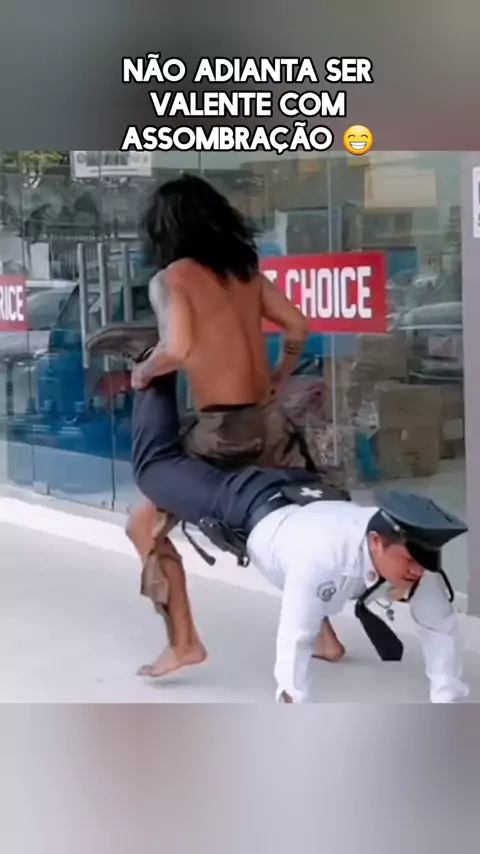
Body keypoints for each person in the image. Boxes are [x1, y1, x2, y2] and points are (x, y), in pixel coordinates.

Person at [82, 359, 470, 704]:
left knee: (311, 578)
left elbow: (441, 630)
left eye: (422, 565)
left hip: (309, 493)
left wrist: (447, 702)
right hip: (253, 501)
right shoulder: (322, 560)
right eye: (409, 562)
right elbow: (293, 642)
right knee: (155, 469)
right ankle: (153, 365)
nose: (417, 571)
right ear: (376, 542)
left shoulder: (416, 563)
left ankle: (328, 643)